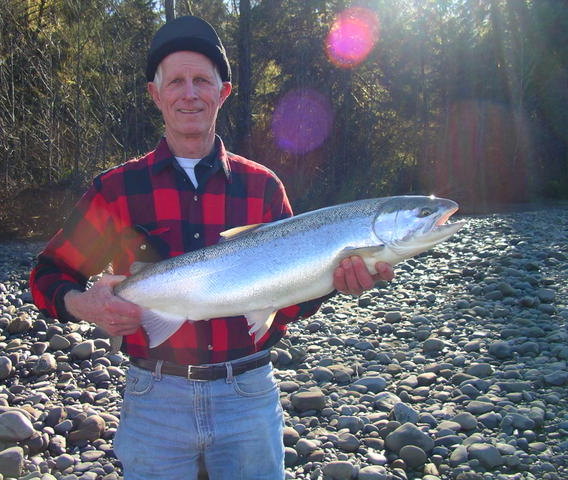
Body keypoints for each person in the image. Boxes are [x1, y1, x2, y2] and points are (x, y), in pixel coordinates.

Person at [30, 15, 394, 480]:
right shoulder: (116, 190)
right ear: (155, 95)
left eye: (202, 80)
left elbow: (287, 306)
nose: (189, 93)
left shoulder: (262, 187)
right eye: (176, 81)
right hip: (154, 398)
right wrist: (85, 304)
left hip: (248, 394)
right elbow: (46, 275)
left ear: (222, 92)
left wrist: (332, 282)